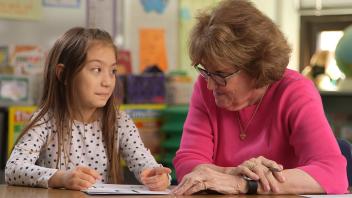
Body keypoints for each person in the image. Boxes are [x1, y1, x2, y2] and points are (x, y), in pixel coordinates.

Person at [172, 0, 348, 195]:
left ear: (256, 69)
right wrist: (230, 174)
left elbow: (333, 173)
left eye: (220, 75)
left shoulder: (295, 91)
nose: (210, 84)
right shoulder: (205, 88)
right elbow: (187, 161)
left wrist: (247, 184)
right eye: (206, 72)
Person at [5, 27, 171, 191]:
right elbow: (14, 169)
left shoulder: (120, 122)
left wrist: (157, 176)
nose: (107, 82)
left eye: (113, 71)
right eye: (97, 70)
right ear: (63, 75)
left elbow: (144, 163)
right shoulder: (46, 121)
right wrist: (62, 178)